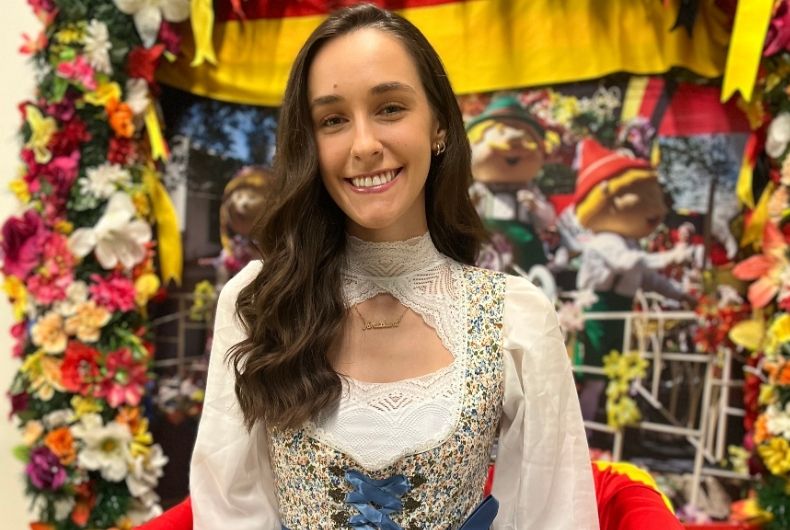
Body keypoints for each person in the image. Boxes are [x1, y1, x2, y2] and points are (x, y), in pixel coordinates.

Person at [190, 4, 598, 529]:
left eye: (389, 108)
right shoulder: (258, 302)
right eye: (333, 120)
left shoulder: (514, 318)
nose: (364, 145)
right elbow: (229, 511)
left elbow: (553, 514)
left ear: (439, 125)